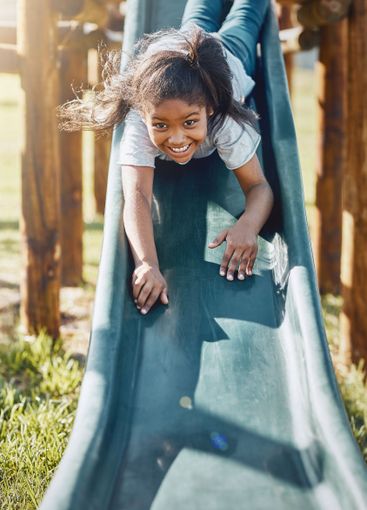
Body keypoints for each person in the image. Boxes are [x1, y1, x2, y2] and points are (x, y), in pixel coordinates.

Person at [58, 0, 273, 316]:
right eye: (161, 125)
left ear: (208, 110)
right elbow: (137, 197)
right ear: (143, 115)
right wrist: (147, 263)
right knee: (198, 15)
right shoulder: (138, 123)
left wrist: (248, 225)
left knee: (244, 15)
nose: (176, 139)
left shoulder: (223, 118)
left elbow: (259, 188)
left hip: (227, 55)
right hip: (177, 49)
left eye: (190, 122)